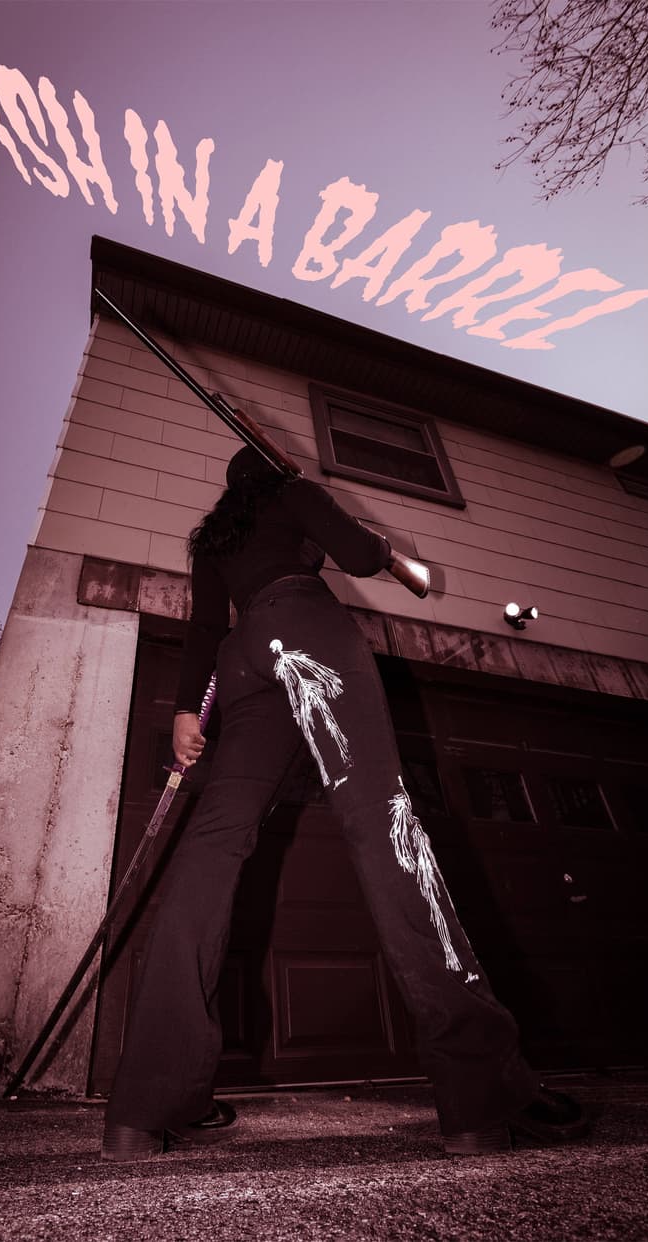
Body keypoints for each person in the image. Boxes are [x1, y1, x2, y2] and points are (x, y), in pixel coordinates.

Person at [102, 446, 587, 1160]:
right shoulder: (292, 493)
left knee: (212, 848)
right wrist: (385, 549)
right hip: (306, 633)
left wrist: (184, 711)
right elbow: (358, 556)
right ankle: (483, 1088)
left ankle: (144, 1107)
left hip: (243, 661)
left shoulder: (214, 538)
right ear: (272, 472)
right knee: (383, 821)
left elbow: (207, 627)